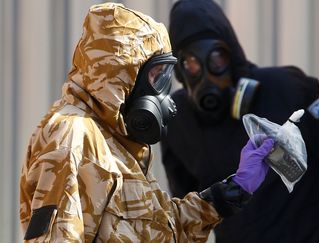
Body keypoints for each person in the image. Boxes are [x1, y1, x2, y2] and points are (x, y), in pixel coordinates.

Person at [19, 3, 275, 242]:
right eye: (155, 75)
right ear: (120, 75)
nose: (161, 91)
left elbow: (164, 229)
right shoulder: (71, 134)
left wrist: (231, 191)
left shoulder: (117, 144)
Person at [161, 0, 319, 242]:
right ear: (180, 72)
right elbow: (185, 213)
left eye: (216, 59)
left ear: (232, 56)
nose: (206, 74)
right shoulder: (177, 120)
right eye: (190, 64)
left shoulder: (292, 90)